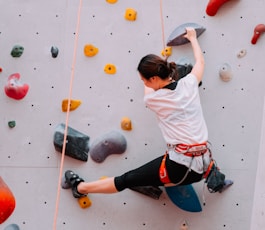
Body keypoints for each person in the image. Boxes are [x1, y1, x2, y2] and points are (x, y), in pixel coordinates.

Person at [64, 27, 221, 198]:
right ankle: (155, 181)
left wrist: (150, 79)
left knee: (126, 179)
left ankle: (80, 189)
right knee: (154, 176)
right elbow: (200, 63)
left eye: (143, 80)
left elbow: (149, 90)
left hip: (179, 167)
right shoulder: (189, 84)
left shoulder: (154, 99)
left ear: (153, 79)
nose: (144, 83)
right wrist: (192, 38)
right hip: (202, 164)